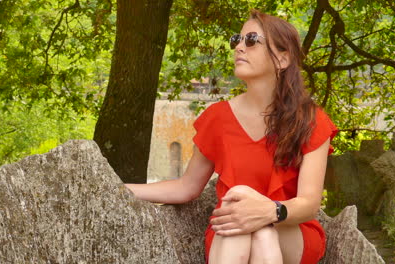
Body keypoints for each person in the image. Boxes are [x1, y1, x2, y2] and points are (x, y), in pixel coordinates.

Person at [126, 9, 337, 264]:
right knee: (245, 226)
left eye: (251, 41)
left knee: (261, 229)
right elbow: (186, 187)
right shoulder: (218, 118)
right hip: (232, 229)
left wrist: (268, 211)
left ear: (282, 59)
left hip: (288, 229)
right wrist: (119, 189)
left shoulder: (310, 120)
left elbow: (309, 203)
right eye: (236, 40)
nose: (239, 47)